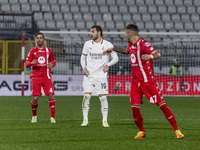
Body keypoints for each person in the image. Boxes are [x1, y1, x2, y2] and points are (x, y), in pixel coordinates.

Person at [103, 24, 184, 139]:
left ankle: (177, 130)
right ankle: (141, 131)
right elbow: (126, 51)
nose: (125, 35)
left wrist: (150, 57)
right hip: (135, 83)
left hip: (147, 82)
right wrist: (113, 49)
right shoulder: (131, 45)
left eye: (126, 33)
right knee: (135, 109)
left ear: (130, 34)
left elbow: (157, 54)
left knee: (162, 106)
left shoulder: (143, 44)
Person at [80, 25, 119, 127]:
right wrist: (84, 67)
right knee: (86, 96)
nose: (91, 34)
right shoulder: (87, 44)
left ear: (99, 32)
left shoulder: (107, 44)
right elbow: (82, 57)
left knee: (102, 98)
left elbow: (116, 58)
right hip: (88, 75)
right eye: (91, 32)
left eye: (93, 32)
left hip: (101, 75)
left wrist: (108, 64)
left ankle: (105, 121)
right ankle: (85, 120)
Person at [25, 32, 56, 123]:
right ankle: (34, 115)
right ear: (35, 40)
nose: (39, 39)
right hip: (36, 77)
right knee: (35, 98)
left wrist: (52, 64)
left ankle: (52, 118)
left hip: (46, 77)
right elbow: (26, 64)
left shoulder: (49, 51)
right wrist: (32, 63)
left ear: (43, 39)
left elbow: (53, 61)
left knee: (50, 96)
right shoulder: (32, 51)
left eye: (41, 38)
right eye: (37, 38)